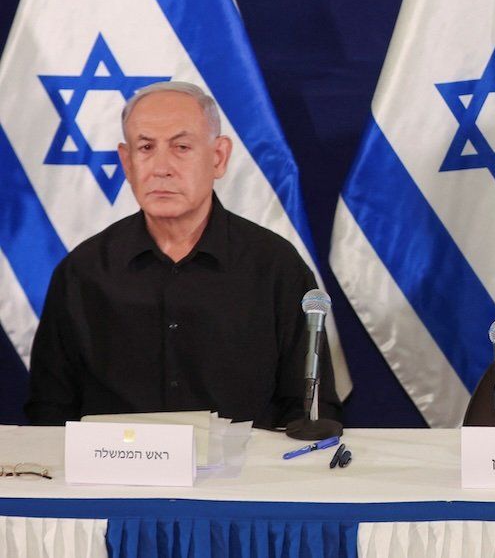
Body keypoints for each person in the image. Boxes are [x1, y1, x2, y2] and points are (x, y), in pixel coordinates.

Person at [25, 81, 340, 428]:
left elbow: (310, 406)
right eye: (145, 147)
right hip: (115, 476)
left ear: (218, 157)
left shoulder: (275, 266)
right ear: (127, 162)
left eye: (182, 147)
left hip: (243, 476)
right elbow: (49, 410)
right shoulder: (83, 271)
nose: (162, 167)